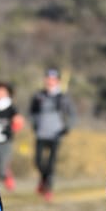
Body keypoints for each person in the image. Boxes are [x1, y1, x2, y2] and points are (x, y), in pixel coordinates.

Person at [29, 67, 74, 199]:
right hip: (41, 133)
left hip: (55, 134)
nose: (50, 81)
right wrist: (34, 125)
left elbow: (72, 115)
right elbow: (32, 113)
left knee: (51, 164)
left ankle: (48, 189)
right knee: (38, 162)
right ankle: (43, 180)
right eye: (48, 78)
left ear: (58, 81)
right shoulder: (38, 96)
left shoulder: (63, 98)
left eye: (53, 79)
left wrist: (66, 128)